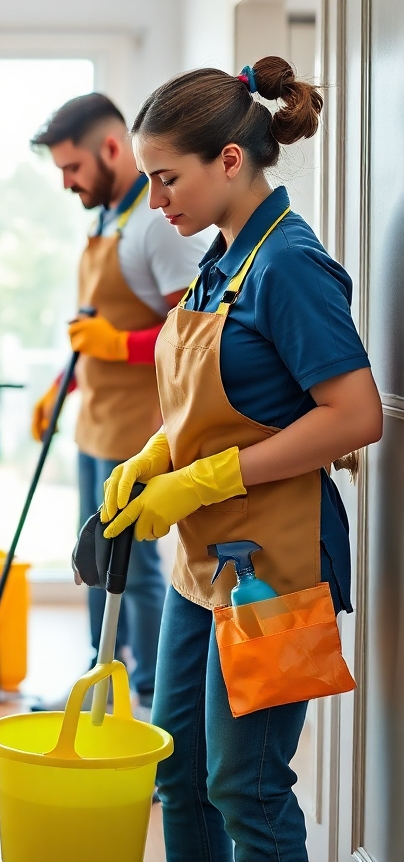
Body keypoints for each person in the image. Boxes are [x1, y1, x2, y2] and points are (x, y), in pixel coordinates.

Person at [101, 57, 382, 862]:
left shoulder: (289, 263)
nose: (157, 202)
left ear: (229, 159)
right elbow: (217, 405)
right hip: (202, 561)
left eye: (166, 179)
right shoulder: (222, 260)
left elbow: (357, 415)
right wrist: (155, 458)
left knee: (245, 786)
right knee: (180, 770)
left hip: (278, 568)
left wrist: (206, 478)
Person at [29, 93, 210, 714]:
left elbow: (192, 333)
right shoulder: (106, 220)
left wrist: (116, 343)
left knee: (134, 570)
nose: (66, 183)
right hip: (95, 419)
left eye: (72, 168)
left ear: (111, 149)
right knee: (91, 558)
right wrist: (65, 383)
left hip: (140, 425)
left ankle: (158, 702)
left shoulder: (156, 226)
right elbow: (94, 323)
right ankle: (98, 685)